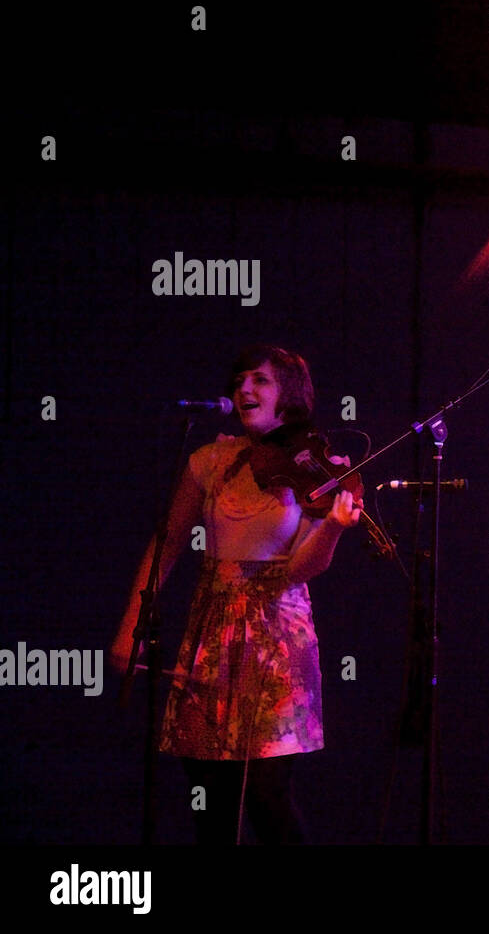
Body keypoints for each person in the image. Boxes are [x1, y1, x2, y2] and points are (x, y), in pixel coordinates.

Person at [112, 345, 361, 844]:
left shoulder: (312, 464)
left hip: (278, 639)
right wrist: (129, 630)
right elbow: (166, 546)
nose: (244, 389)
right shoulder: (211, 460)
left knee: (268, 793)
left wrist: (332, 527)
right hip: (212, 634)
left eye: (261, 381)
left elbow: (301, 568)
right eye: (240, 380)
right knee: (211, 795)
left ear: (287, 395)